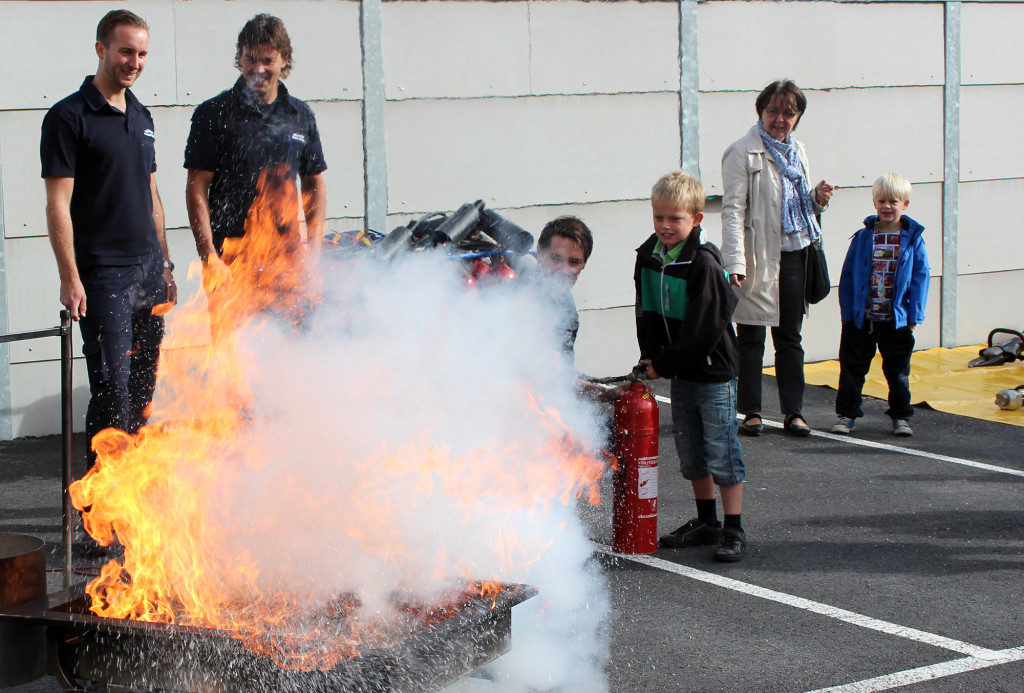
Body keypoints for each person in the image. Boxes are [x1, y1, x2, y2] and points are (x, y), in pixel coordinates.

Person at [41, 9, 176, 463]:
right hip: (105, 278)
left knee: (141, 396)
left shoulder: (141, 114)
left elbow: (152, 193)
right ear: (101, 49)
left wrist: (166, 264)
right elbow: (58, 203)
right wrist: (69, 276)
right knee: (113, 395)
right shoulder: (69, 116)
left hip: (149, 275)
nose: (133, 62)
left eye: (141, 54)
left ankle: (131, 507)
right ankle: (99, 520)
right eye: (125, 51)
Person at [635, 171, 746, 562]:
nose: (665, 225)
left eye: (675, 218)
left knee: (722, 451)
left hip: (712, 374)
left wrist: (662, 364)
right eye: (658, 217)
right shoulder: (648, 256)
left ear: (696, 219)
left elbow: (705, 329)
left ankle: (733, 527)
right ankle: (706, 522)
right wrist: (651, 357)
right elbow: (646, 312)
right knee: (691, 452)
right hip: (680, 373)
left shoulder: (703, 263)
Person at [721, 79, 835, 437]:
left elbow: (799, 207)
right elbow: (732, 211)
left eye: (789, 112)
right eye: (774, 110)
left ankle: (794, 412)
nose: (780, 118)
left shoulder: (798, 150)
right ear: (761, 111)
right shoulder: (741, 151)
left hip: (796, 253)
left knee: (789, 337)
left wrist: (816, 200)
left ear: (798, 116)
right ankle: (751, 411)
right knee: (751, 334)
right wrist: (734, 263)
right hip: (757, 257)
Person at [184, 13, 327, 284]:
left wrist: (314, 253)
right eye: (250, 58)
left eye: (268, 60)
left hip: (288, 266)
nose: (258, 68)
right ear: (240, 58)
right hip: (231, 266)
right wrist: (209, 257)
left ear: (284, 60)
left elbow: (315, 182)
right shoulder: (213, 113)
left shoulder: (300, 114)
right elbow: (197, 186)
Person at [832, 173, 929, 437]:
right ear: (874, 203)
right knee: (852, 370)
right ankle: (847, 415)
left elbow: (921, 279)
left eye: (893, 201)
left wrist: (913, 317)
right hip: (862, 319)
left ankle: (901, 417)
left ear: (905, 204)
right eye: (882, 201)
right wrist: (847, 314)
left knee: (898, 373)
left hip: (895, 321)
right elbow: (848, 277)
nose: (887, 206)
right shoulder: (863, 238)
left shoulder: (913, 239)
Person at [535, 216, 622, 403]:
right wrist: (605, 393)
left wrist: (607, 390)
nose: (563, 270)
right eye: (556, 258)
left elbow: (561, 373)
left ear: (583, 265)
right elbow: (544, 377)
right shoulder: (522, 300)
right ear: (539, 252)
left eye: (574, 262)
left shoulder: (564, 302)